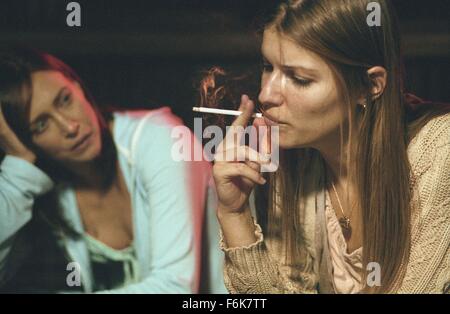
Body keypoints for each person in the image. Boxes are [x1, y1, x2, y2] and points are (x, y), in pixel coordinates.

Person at [213, 0, 449, 293]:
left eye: (298, 79)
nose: (266, 94)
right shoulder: (290, 156)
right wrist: (234, 214)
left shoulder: (440, 153)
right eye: (267, 66)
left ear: (369, 85)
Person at [0, 47, 226, 293]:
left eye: (65, 99)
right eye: (41, 125)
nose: (70, 126)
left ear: (79, 87)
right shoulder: (53, 192)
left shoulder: (161, 138)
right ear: (26, 140)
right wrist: (16, 167)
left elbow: (175, 288)